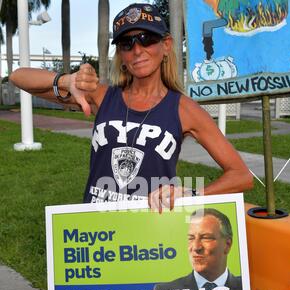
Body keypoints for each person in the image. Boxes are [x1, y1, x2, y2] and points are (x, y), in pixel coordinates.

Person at [9, 3, 253, 210]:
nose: (137, 50)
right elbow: (18, 77)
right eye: (127, 43)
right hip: (95, 228)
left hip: (149, 232)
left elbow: (241, 176)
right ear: (121, 54)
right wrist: (66, 80)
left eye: (147, 39)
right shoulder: (102, 96)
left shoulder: (185, 110)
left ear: (166, 45)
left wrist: (191, 195)